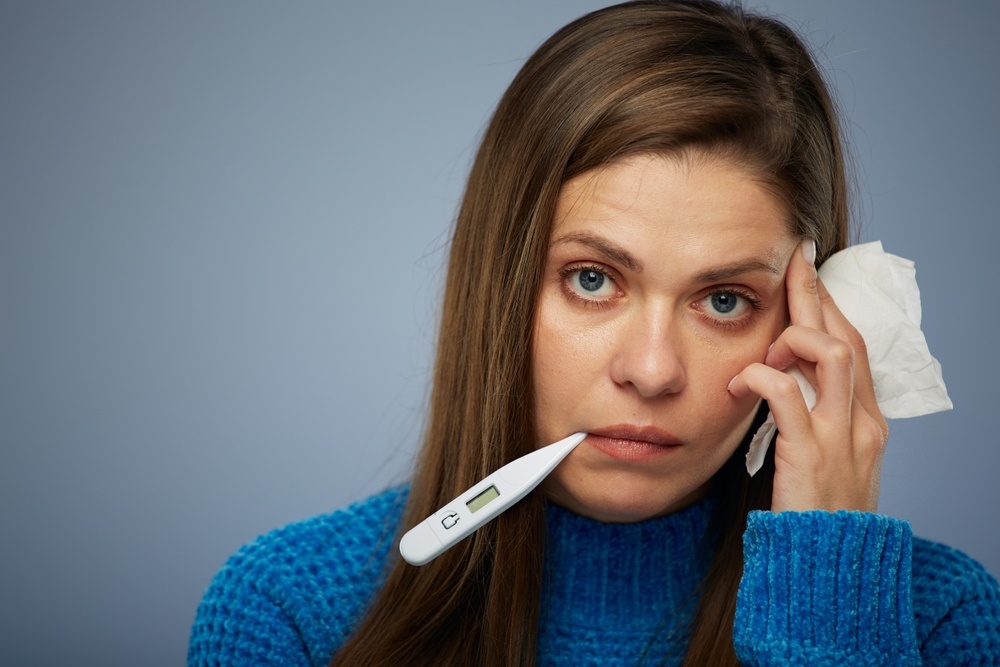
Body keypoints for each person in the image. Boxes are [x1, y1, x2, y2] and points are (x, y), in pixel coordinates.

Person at [188, 1, 1000, 664]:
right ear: (499, 289)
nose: (651, 372)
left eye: (723, 301)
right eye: (592, 280)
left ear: (806, 318)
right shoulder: (285, 614)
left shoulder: (940, 624)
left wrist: (830, 592)